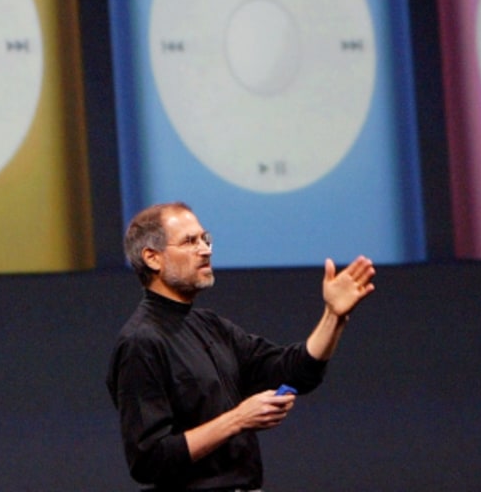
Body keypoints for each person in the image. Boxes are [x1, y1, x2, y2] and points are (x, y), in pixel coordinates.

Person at [107, 202, 375, 491]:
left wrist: (333, 317)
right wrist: (238, 419)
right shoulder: (141, 343)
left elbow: (293, 371)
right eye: (189, 241)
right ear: (152, 258)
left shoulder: (210, 326)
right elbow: (149, 459)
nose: (205, 250)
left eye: (205, 239)